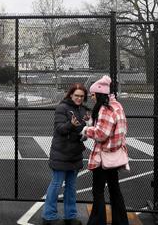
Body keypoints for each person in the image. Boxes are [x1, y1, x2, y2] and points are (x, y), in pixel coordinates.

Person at [82, 75, 129, 225]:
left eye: (93, 94)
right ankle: (121, 221)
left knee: (98, 191)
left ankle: (97, 222)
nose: (91, 97)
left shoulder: (105, 108)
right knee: (115, 191)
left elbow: (101, 134)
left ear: (100, 94)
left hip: (103, 157)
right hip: (114, 156)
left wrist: (86, 130)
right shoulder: (117, 106)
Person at [42, 83, 91, 225]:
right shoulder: (62, 108)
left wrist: (85, 133)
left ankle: (70, 216)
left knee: (71, 186)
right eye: (76, 95)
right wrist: (71, 125)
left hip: (75, 153)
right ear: (70, 95)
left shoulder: (83, 110)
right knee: (56, 184)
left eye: (82, 96)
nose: (79, 98)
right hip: (61, 153)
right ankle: (48, 216)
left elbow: (82, 131)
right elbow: (60, 129)